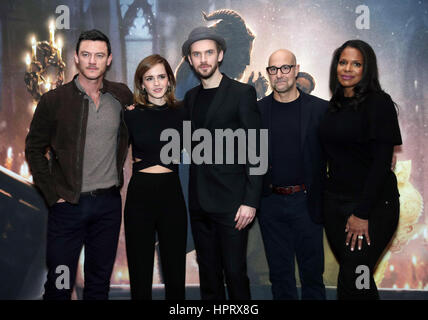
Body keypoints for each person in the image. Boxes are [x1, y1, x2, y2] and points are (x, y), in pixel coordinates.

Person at [25, 29, 133, 299]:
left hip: (108, 206)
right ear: (76, 58)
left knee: (98, 286)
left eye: (99, 55)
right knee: (60, 285)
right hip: (68, 207)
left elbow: (146, 123)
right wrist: (53, 195)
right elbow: (34, 148)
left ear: (109, 59)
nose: (92, 61)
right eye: (86, 55)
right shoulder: (54, 101)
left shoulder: (122, 97)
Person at [181, 26, 263, 300]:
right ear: (190, 60)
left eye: (209, 53)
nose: (203, 59)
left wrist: (250, 201)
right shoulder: (191, 98)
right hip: (200, 205)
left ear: (220, 55)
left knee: (236, 273)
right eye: (197, 54)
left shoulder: (242, 93)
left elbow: (256, 149)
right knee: (209, 275)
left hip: (233, 205)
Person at [319, 39, 402, 300]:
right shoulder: (333, 106)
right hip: (336, 208)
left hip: (373, 208)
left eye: (356, 64)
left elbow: (381, 163)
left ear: (367, 69)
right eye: (343, 62)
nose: (348, 69)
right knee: (355, 279)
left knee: (355, 277)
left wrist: (362, 213)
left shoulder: (380, 103)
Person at [257, 49, 327, 300]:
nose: (279, 75)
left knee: (312, 275)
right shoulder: (257, 111)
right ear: (268, 73)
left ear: (296, 70)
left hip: (307, 203)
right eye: (273, 70)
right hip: (271, 203)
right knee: (280, 275)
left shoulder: (320, 110)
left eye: (285, 68)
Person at [123, 54, 187, 300]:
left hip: (172, 195)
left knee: (175, 275)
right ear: (141, 84)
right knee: (140, 275)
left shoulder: (182, 112)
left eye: (161, 76)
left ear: (170, 80)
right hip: (140, 195)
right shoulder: (129, 114)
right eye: (150, 78)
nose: (157, 83)